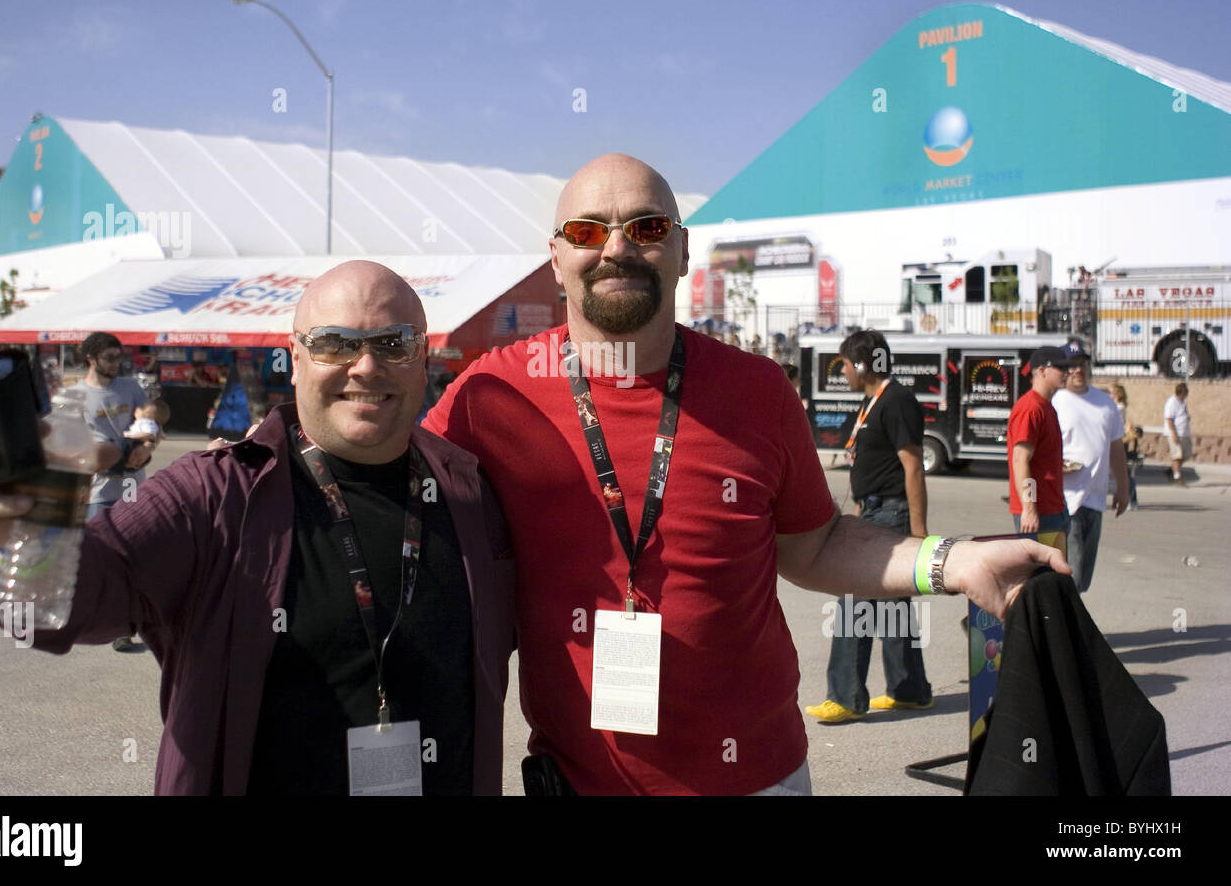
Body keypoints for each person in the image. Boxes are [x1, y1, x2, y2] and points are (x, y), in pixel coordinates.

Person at [425, 152, 1069, 795]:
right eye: (588, 231)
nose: (616, 248)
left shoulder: (757, 390)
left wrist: (952, 561)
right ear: (557, 259)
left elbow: (815, 544)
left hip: (757, 777)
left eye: (646, 228)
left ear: (682, 250)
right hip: (579, 780)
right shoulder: (490, 397)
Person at [0, 261, 515, 795]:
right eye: (334, 344)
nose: (366, 366)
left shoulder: (469, 493)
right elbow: (68, 604)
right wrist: (25, 532)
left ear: (423, 358)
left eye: (393, 344)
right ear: (295, 359)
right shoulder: (214, 496)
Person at [805, 330, 932, 723]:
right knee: (892, 606)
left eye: (844, 363)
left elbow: (912, 466)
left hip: (891, 516)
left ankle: (844, 697)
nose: (842, 371)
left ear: (862, 363)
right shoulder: (873, 401)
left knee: (853, 604)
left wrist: (919, 531)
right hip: (874, 512)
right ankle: (910, 689)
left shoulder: (896, 401)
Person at [73, 332, 153, 651]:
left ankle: (126, 623)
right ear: (91, 358)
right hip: (99, 488)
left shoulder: (130, 387)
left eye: (119, 357)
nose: (116, 363)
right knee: (102, 557)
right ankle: (103, 618)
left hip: (133, 483)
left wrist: (147, 446)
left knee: (135, 554)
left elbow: (150, 423)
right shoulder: (75, 396)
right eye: (109, 357)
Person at [1052, 346, 1128, 593]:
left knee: (1083, 579)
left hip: (1096, 500)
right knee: (1070, 575)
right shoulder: (1056, 401)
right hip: (1066, 500)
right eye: (1072, 365)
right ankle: (1068, 631)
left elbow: (1116, 447)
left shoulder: (1105, 403)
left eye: (1082, 364)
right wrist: (1056, 468)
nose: (1078, 370)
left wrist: (1123, 488)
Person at [1007, 346, 1070, 536]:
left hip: (1054, 509)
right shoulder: (1031, 408)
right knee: (1041, 566)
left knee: (1055, 566)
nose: (1067, 373)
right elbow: (1020, 460)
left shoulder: (1047, 407)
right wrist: (1029, 508)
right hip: (1039, 514)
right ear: (1042, 371)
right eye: (1061, 368)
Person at [1110, 383, 1140, 511]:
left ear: (1117, 394)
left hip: (1119, 442)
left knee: (1123, 472)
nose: (1109, 395)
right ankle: (1131, 499)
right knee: (1121, 472)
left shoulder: (1119, 408)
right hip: (1116, 441)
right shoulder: (1117, 407)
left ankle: (1131, 499)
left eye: (1111, 393)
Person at [1163, 382, 1192, 485]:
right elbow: (1169, 419)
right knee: (1177, 456)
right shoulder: (1172, 402)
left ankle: (1171, 470)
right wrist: (1174, 433)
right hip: (1175, 433)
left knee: (1186, 455)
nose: (1186, 395)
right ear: (1180, 392)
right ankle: (1177, 477)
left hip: (1184, 433)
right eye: (1185, 393)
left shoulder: (1183, 402)